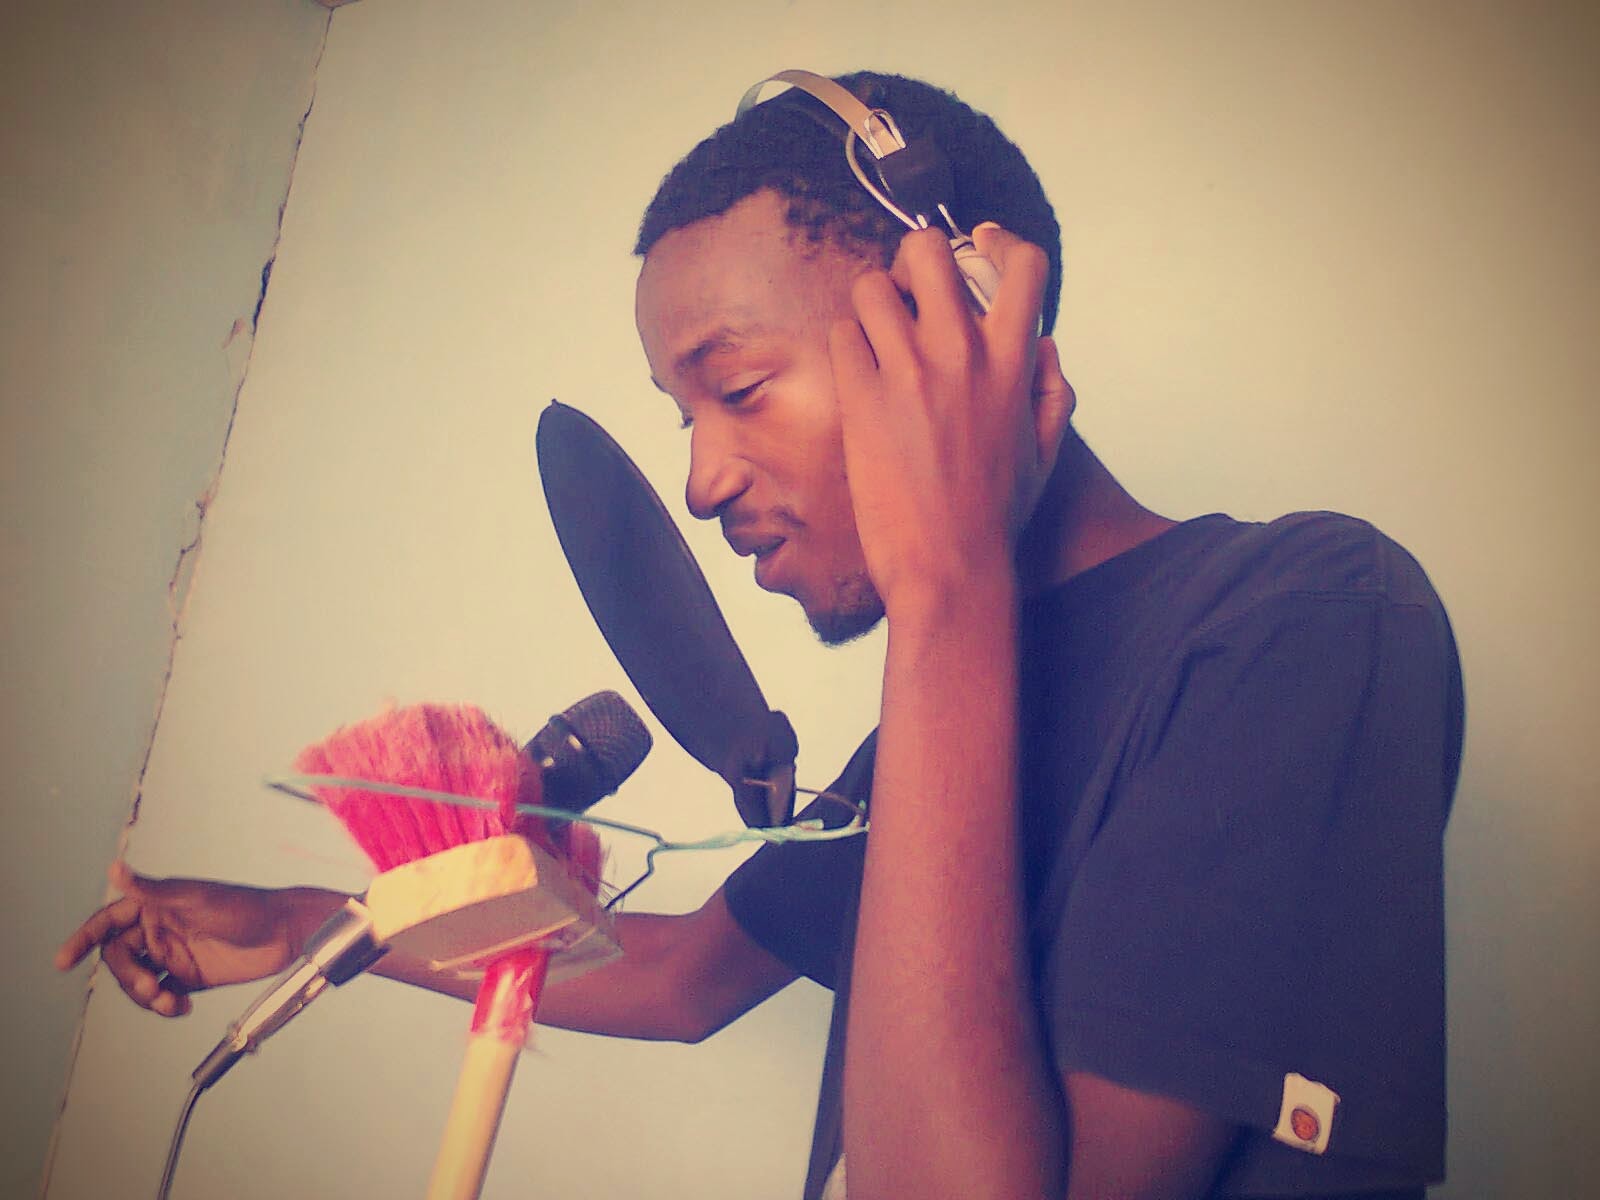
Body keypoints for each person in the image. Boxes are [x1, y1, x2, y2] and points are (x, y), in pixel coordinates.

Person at [58, 72, 1462, 1199]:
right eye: (683, 416)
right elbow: (680, 975)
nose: (698, 480)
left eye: (735, 389)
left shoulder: (1303, 619)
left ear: (960, 320)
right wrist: (320, 925)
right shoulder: (936, 720)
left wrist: (946, 583)